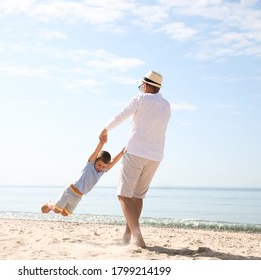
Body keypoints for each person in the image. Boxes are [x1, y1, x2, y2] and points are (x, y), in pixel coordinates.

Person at [100, 70, 171, 248]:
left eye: (142, 86)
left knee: (123, 195)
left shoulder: (140, 99)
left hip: (136, 152)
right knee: (137, 196)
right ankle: (128, 236)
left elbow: (121, 116)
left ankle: (137, 238)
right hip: (155, 156)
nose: (141, 89)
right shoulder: (166, 105)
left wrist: (105, 129)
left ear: (146, 85)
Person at [41, 134, 125, 216]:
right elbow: (96, 152)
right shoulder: (90, 164)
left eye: (103, 166)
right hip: (70, 192)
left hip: (78, 197)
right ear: (95, 160)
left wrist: (122, 152)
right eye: (99, 165)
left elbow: (113, 162)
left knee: (65, 213)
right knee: (56, 210)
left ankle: (56, 206)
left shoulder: (102, 171)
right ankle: (50, 203)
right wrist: (101, 142)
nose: (101, 168)